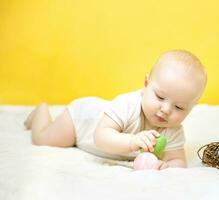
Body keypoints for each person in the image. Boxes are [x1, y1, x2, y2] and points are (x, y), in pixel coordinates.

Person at [24, 49, 207, 170]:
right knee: (43, 139)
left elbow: (177, 160)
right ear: (145, 84)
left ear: (191, 109)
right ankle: (40, 111)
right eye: (160, 97)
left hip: (88, 126)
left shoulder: (173, 131)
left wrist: (165, 167)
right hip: (80, 122)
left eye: (179, 107)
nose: (166, 109)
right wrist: (132, 141)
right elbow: (101, 137)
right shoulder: (127, 105)